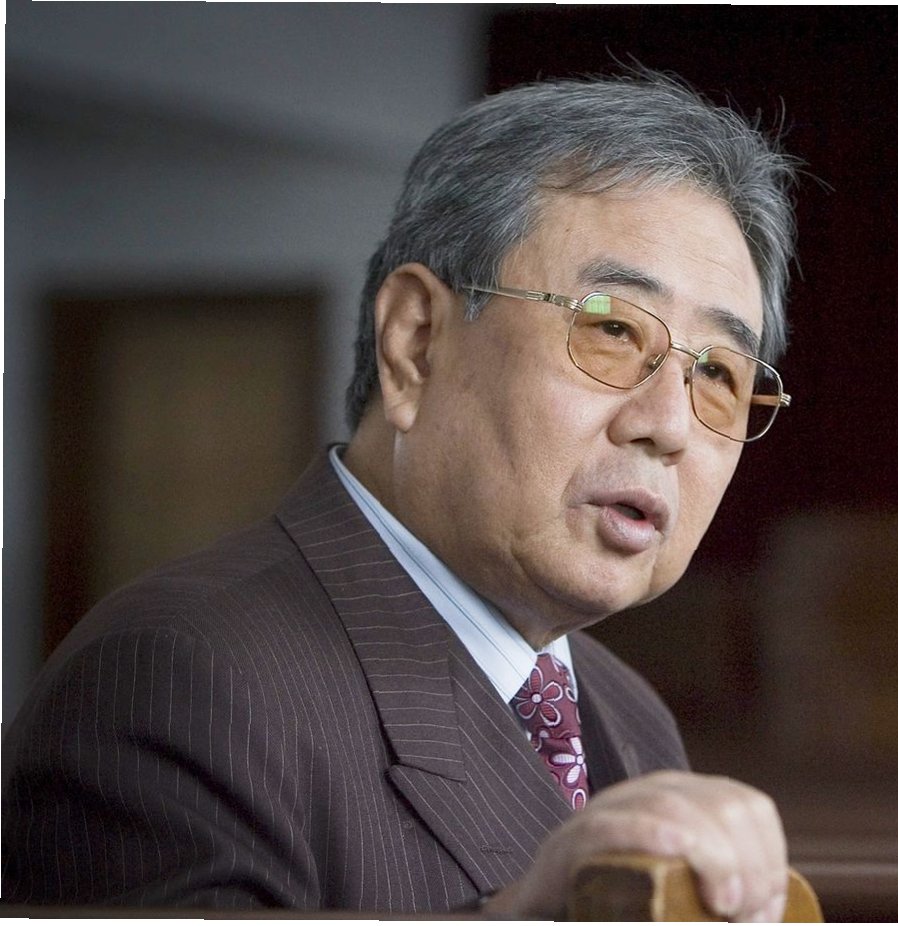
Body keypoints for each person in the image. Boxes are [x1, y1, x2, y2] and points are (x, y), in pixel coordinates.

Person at [1, 72, 798, 920]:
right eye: (612, 329)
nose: (669, 425)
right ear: (416, 342)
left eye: (719, 373)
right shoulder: (181, 678)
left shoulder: (627, 715)